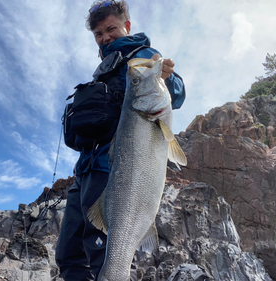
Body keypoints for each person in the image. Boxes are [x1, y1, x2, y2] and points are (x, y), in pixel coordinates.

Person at [55, 1, 186, 280]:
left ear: (126, 26)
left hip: (114, 171)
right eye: (99, 34)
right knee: (68, 253)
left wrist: (167, 77)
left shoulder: (143, 56)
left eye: (110, 28)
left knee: (103, 253)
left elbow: (176, 93)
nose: (105, 37)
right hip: (84, 173)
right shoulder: (103, 69)